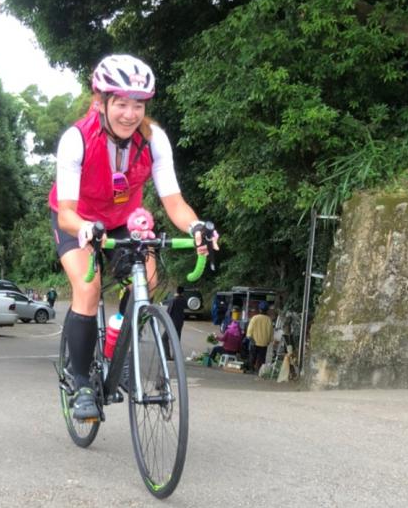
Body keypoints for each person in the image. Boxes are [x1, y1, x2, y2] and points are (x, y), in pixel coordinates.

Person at [49, 53, 218, 420]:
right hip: (78, 219)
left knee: (149, 280)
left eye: (138, 105)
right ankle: (81, 383)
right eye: (121, 104)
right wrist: (85, 228)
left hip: (124, 219)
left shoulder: (154, 140)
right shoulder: (77, 139)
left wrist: (196, 227)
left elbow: (174, 202)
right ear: (101, 102)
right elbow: (65, 213)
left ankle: (117, 344)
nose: (130, 114)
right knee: (88, 288)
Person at [245, 301, 274, 373]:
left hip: (254, 342)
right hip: (264, 343)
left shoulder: (255, 318)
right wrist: (269, 341)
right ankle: (259, 370)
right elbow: (271, 332)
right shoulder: (269, 320)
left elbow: (249, 330)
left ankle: (251, 369)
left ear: (259, 309)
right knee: (261, 358)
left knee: (252, 357)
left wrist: (250, 337)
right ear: (267, 310)